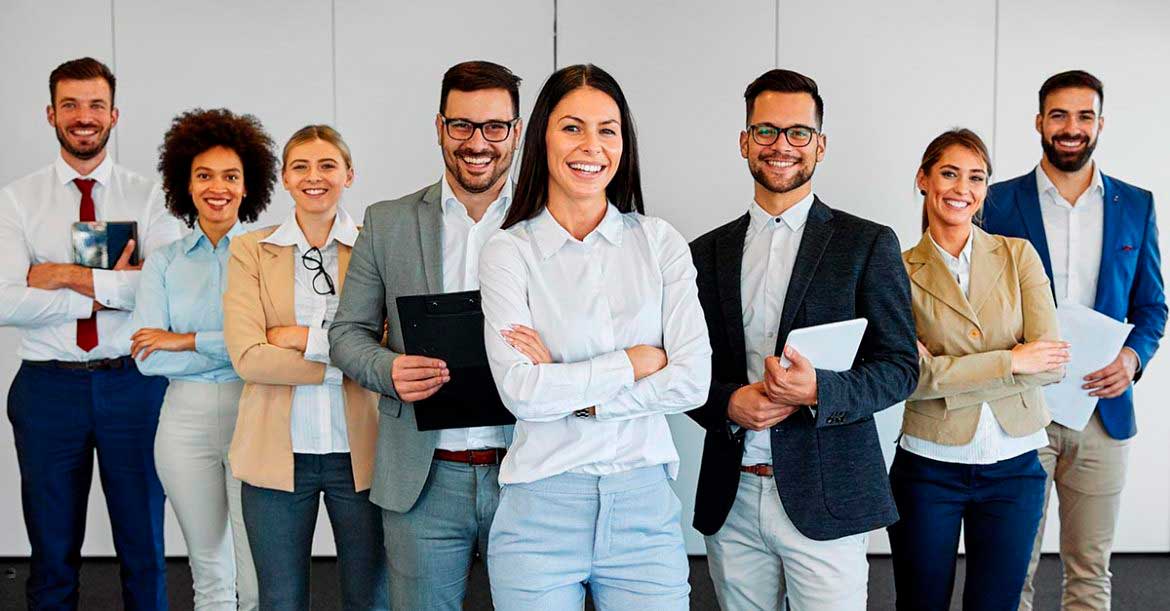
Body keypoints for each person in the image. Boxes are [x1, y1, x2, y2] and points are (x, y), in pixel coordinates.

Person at [476, 63, 711, 610]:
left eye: (608, 129)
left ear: (623, 143)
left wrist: (579, 399)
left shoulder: (659, 243)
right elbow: (522, 393)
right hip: (539, 513)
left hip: (643, 510)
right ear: (542, 136)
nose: (592, 145)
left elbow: (693, 381)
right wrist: (634, 360)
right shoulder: (508, 251)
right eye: (572, 127)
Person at [686, 69, 918, 610]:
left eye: (798, 133)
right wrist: (726, 403)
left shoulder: (867, 244)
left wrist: (819, 391)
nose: (781, 146)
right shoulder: (704, 253)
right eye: (765, 131)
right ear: (745, 141)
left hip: (829, 495)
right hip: (732, 495)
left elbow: (901, 366)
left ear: (820, 144)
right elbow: (685, 370)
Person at [329, 60, 521, 610]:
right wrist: (387, 370)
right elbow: (347, 334)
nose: (477, 142)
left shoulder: (548, 219)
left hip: (532, 468)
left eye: (494, 127)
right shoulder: (387, 222)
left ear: (516, 131)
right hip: (424, 477)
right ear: (439, 127)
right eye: (461, 126)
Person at [0, 57, 183, 610]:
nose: (84, 116)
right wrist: (114, 284)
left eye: (96, 105)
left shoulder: (151, 197)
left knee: (144, 547)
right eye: (72, 105)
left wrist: (59, 274)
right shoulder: (16, 200)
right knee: (51, 552)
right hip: (46, 392)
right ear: (50, 114)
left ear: (115, 114)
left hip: (134, 384)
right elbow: (6, 301)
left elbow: (163, 294)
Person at [982, 70, 1167, 611]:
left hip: (1103, 413)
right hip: (1020, 412)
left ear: (1100, 124)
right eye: (1058, 115)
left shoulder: (1137, 204)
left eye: (1084, 116)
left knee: (1090, 573)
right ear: (1039, 122)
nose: (1071, 128)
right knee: (1010, 571)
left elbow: (1152, 306)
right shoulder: (996, 201)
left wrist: (1133, 359)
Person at [889, 128, 1069, 610]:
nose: (961, 189)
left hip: (1015, 468)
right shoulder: (895, 269)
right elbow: (910, 378)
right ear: (924, 179)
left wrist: (947, 371)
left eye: (976, 177)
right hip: (929, 467)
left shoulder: (1018, 255)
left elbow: (1049, 363)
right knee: (920, 602)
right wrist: (1011, 359)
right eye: (949, 173)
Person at [223, 125, 387, 610]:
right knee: (280, 600)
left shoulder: (375, 246)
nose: (314, 177)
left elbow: (390, 344)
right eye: (301, 166)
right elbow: (249, 357)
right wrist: (350, 362)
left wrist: (302, 340)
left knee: (369, 599)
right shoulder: (251, 249)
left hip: (364, 455)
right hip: (275, 455)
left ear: (350, 175)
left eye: (327, 165)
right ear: (284, 178)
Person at [128, 108, 276, 611]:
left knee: (255, 575)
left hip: (253, 413)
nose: (218, 187)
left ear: (247, 184)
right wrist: (235, 347)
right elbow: (148, 358)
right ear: (185, 185)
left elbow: (270, 346)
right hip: (183, 424)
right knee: (210, 573)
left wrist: (185, 341)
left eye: (231, 176)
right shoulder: (165, 262)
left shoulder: (266, 254)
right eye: (204, 175)